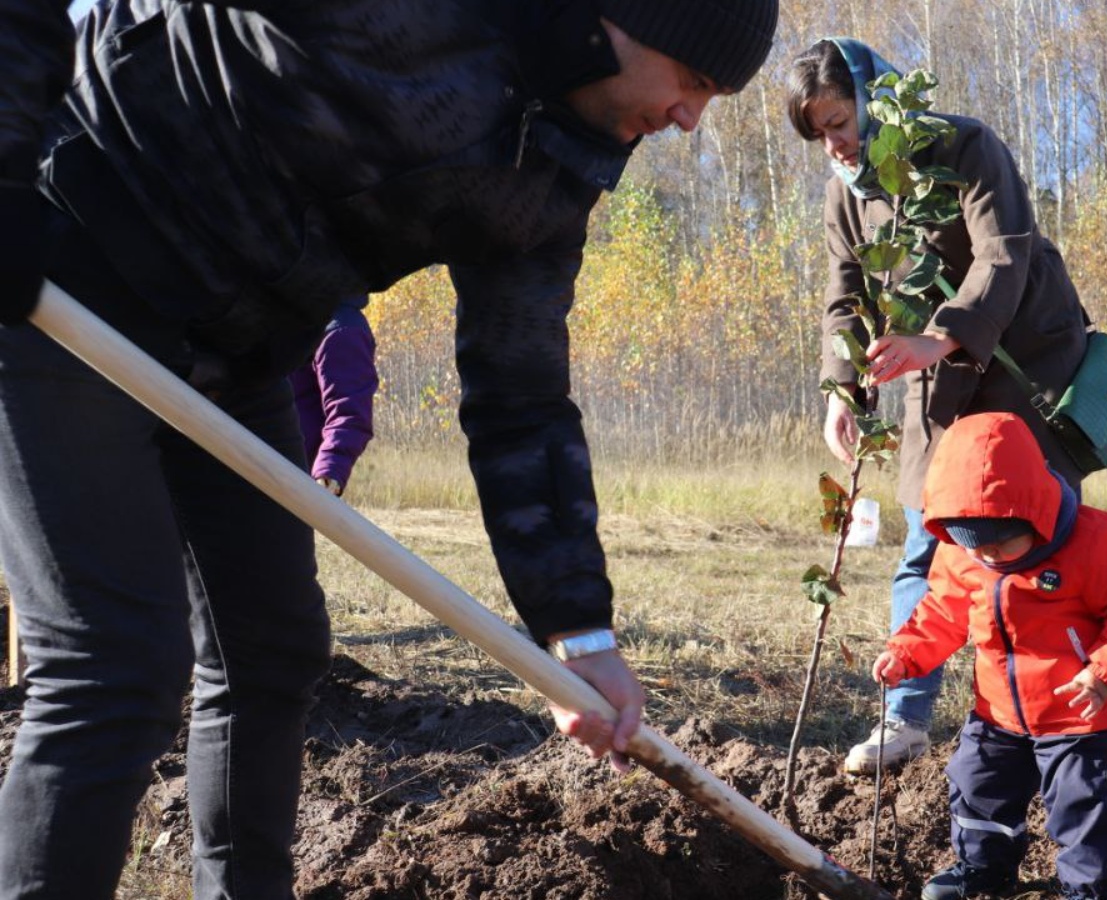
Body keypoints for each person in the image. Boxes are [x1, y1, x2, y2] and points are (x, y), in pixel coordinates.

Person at [0, 2, 777, 897]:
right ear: (614, 21)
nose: (692, 119)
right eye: (694, 81)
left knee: (273, 648)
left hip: (233, 351)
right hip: (65, 271)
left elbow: (520, 396)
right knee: (116, 663)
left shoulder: (560, 168)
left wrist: (578, 630)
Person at [787, 38, 1092, 775]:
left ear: (871, 97)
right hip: (934, 380)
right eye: (819, 132)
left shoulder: (964, 146)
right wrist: (842, 388)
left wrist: (940, 337)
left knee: (1035, 535)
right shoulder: (845, 194)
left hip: (1026, 359)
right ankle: (906, 719)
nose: (834, 143)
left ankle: (1055, 711)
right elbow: (846, 298)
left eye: (838, 121)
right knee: (926, 537)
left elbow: (1005, 254)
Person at [870, 411, 1107, 900]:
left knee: (1080, 805)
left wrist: (1105, 672)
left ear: (1035, 511)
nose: (988, 557)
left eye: (1001, 544)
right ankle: (983, 870)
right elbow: (941, 613)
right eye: (972, 546)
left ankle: (1095, 890)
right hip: (998, 713)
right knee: (976, 783)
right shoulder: (964, 553)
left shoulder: (1098, 542)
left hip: (1078, 717)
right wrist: (905, 655)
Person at [290, 298, 378, 497]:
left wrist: (328, 473)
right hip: (250, 470)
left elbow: (349, 416)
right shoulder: (284, 315)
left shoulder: (342, 329)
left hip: (291, 486)